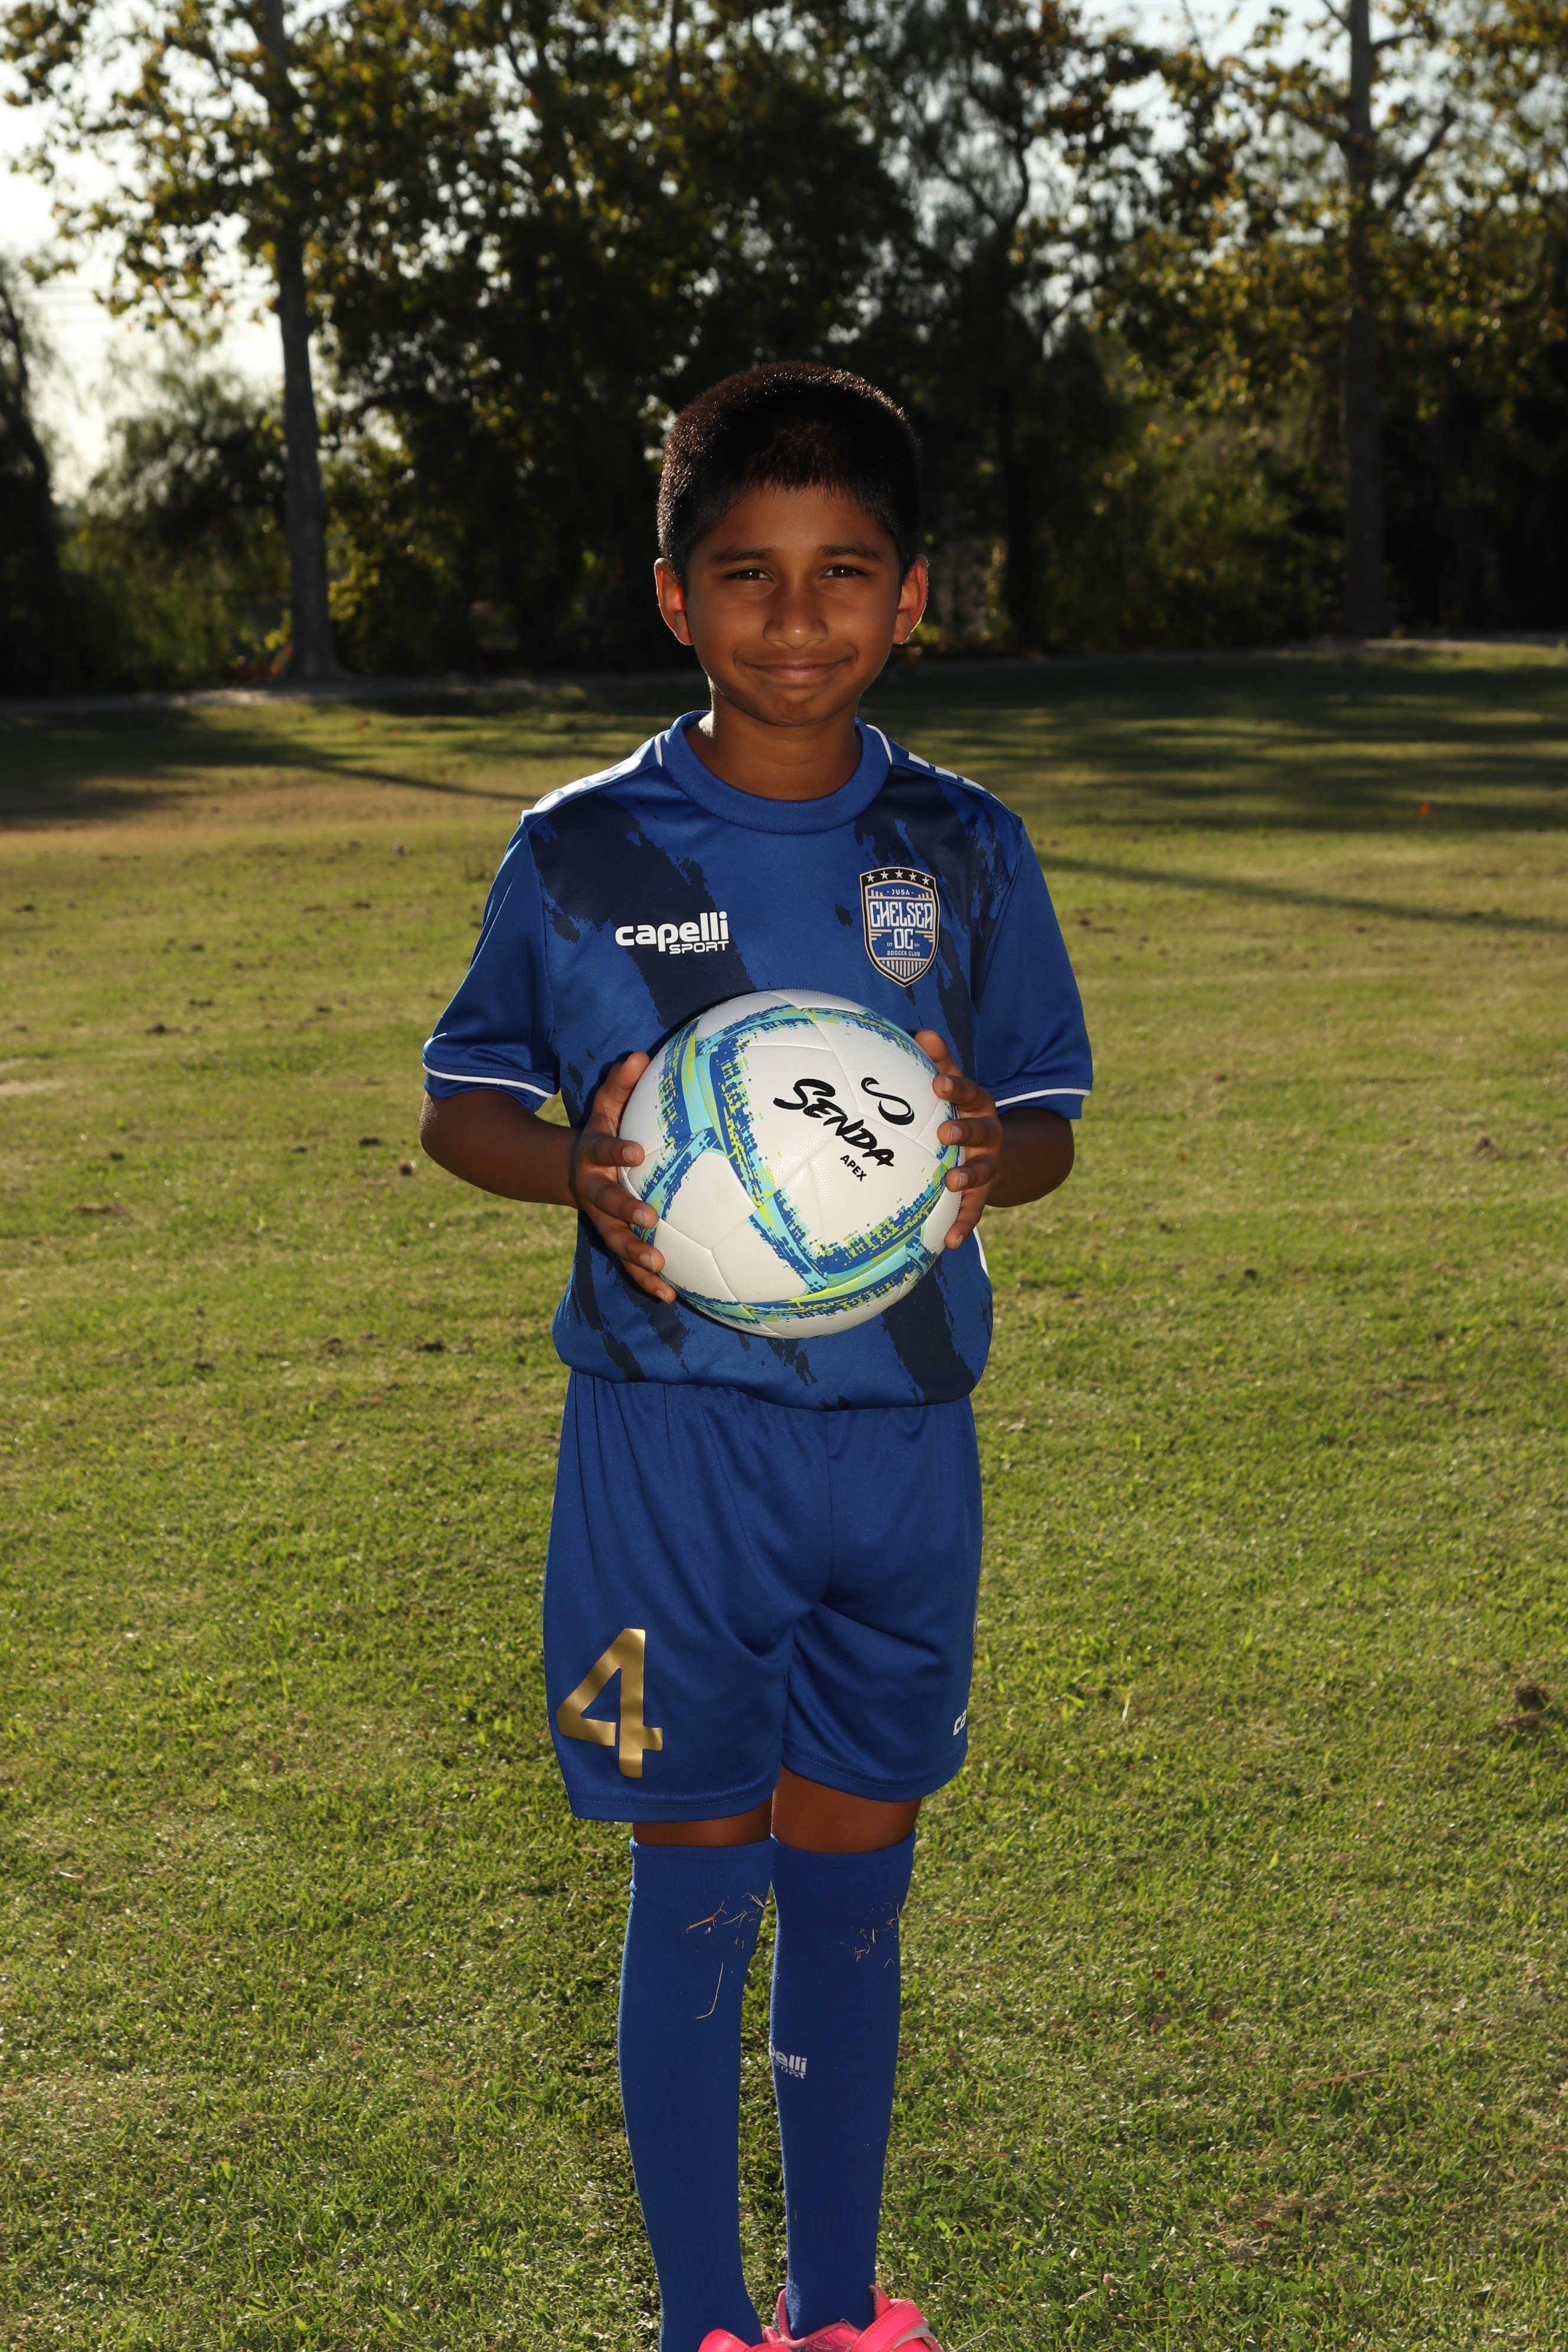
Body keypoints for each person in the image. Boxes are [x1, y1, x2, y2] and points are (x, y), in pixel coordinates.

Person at [419, 363, 1091, 2352]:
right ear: (675, 596)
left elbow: (1045, 1122)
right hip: (667, 1461)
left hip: (900, 1449)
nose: (796, 618)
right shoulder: (581, 851)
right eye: (748, 574)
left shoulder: (961, 846)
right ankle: (706, 2320)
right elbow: (461, 1105)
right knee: (698, 1886)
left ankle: (837, 2308)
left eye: (843, 572)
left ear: (911, 595)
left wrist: (990, 1151)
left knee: (858, 1895)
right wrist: (578, 1172)